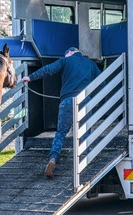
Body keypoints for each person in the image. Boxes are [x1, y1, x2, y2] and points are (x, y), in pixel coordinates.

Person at [21, 47, 101, 178]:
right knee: (85, 130)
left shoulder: (65, 61)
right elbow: (101, 81)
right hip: (85, 100)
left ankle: (53, 158)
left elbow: (48, 70)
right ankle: (85, 159)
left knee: (61, 132)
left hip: (67, 101)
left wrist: (30, 77)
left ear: (69, 53)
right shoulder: (90, 64)